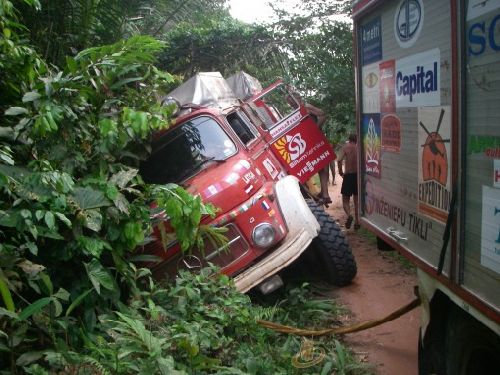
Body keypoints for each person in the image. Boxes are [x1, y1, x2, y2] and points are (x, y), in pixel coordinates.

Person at [337, 133, 359, 229]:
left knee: (345, 199)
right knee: (357, 200)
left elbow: (339, 160)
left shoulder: (345, 147)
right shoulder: (360, 148)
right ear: (356, 140)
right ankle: (358, 222)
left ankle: (349, 215)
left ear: (349, 139)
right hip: (358, 176)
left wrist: (341, 172)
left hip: (348, 175)